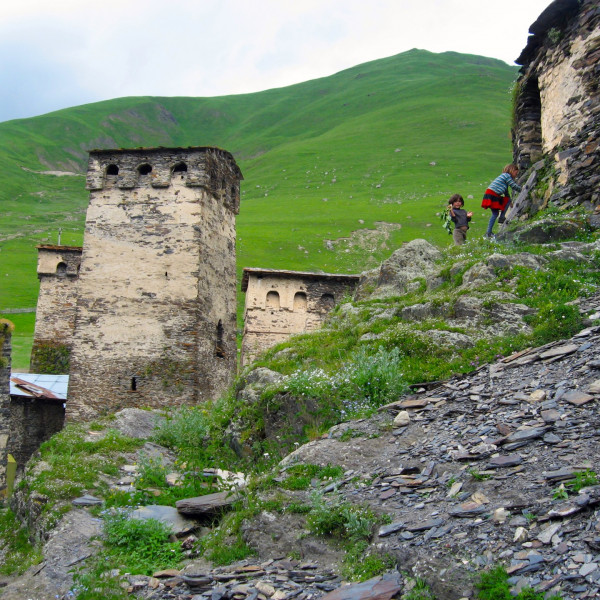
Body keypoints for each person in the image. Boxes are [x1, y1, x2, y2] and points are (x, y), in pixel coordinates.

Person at [482, 164, 521, 238]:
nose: (516, 175)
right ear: (512, 170)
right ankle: (502, 217)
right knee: (495, 213)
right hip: (493, 194)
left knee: (495, 214)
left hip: (490, 193)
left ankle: (489, 232)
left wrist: (510, 202)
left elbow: (506, 193)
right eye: (516, 173)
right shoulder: (507, 176)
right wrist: (521, 189)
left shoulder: (504, 178)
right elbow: (513, 185)